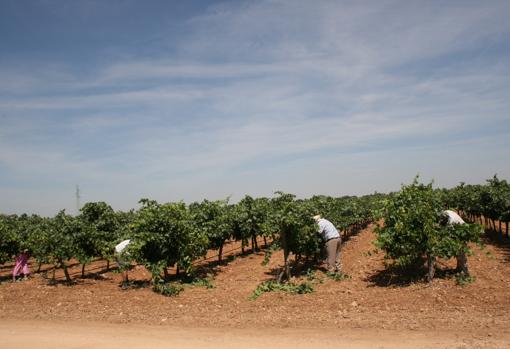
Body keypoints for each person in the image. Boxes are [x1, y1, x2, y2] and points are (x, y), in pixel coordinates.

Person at [440, 210, 468, 275]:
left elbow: (448, 231)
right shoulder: (445, 213)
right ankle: (459, 269)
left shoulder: (451, 220)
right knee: (458, 254)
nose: (442, 219)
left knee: (461, 254)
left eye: (443, 218)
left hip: (462, 234)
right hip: (457, 233)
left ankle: (466, 273)